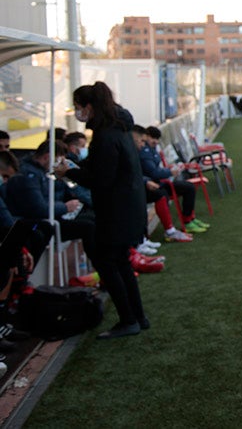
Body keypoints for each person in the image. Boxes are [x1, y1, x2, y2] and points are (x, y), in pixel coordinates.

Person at [64, 82, 149, 339]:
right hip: (128, 208)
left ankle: (128, 319)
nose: (78, 113)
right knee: (120, 262)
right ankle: (137, 317)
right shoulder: (118, 127)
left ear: (89, 107)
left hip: (116, 212)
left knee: (109, 263)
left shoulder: (105, 135)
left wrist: (68, 172)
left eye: (78, 107)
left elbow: (101, 179)